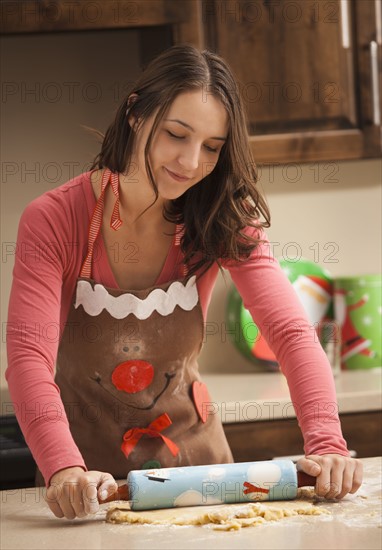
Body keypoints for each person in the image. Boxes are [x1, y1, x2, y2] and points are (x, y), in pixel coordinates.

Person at [6, 44, 362, 520]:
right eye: (177, 134)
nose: (192, 163)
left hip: (204, 480)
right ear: (135, 113)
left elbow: (292, 334)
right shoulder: (54, 220)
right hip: (86, 490)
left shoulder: (222, 218)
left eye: (212, 147)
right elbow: (29, 358)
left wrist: (327, 442)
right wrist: (63, 468)